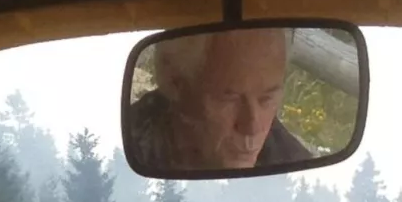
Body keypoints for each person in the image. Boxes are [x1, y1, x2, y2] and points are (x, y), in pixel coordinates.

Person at [128, 26, 313, 172]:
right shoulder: (125, 149)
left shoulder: (294, 164)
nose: (252, 126)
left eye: (267, 99)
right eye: (230, 99)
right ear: (175, 83)